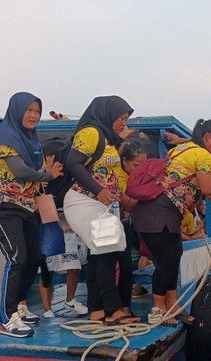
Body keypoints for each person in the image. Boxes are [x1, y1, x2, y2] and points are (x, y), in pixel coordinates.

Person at [132, 119, 211, 327]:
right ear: (208, 137)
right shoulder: (203, 156)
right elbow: (210, 189)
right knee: (166, 261)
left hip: (154, 212)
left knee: (173, 257)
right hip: (159, 213)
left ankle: (173, 306)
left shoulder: (181, 149)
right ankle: (158, 310)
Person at [0, 92, 63, 338]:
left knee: (33, 258)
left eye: (37, 112)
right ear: (17, 111)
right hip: (3, 206)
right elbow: (20, 171)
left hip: (27, 207)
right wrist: (48, 175)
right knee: (17, 258)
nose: (34, 116)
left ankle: (19, 307)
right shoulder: (6, 139)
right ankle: (6, 319)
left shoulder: (32, 142)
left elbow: (35, 173)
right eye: (29, 110)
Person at [62, 96, 140, 325]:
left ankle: (97, 309)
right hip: (83, 200)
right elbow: (73, 162)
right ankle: (113, 310)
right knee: (106, 250)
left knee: (99, 254)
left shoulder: (106, 138)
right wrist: (98, 190)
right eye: (121, 117)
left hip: (98, 203)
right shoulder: (91, 132)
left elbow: (102, 164)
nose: (124, 122)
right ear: (108, 114)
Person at [115, 140, 148, 313]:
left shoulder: (131, 176)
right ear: (124, 161)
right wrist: (145, 190)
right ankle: (116, 308)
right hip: (112, 230)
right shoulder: (119, 178)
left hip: (125, 227)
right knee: (118, 267)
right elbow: (127, 204)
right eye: (136, 165)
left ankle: (125, 307)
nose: (139, 169)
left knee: (126, 266)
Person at [38, 213, 88, 318]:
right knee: (47, 270)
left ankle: (70, 300)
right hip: (48, 224)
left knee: (74, 267)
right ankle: (47, 309)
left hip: (68, 222)